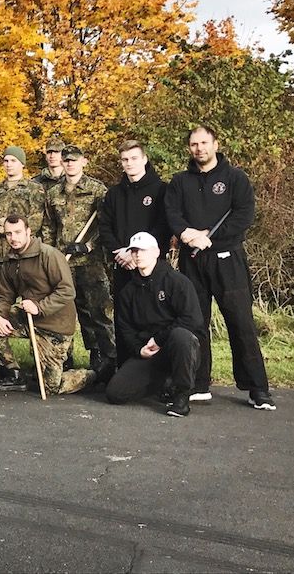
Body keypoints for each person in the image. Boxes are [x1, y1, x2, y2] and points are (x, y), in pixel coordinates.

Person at [164, 125, 275, 410]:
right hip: (192, 260)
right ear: (189, 148)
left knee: (240, 323)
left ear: (215, 144)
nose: (199, 148)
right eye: (193, 144)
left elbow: (244, 214)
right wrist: (188, 234)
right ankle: (198, 384)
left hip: (228, 259)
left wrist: (209, 239)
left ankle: (257, 389)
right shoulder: (179, 182)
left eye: (204, 143)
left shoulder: (235, 178)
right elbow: (172, 213)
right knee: (195, 322)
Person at [0, 216, 96, 395]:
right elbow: (3, 295)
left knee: (49, 387)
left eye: (18, 232)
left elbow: (67, 290)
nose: (13, 238)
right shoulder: (11, 261)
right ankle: (14, 373)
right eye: (8, 234)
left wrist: (40, 307)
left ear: (29, 232)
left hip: (55, 326)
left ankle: (88, 375)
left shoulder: (49, 255)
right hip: (27, 318)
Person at [106, 232, 203, 417]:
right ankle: (164, 383)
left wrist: (159, 339)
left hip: (177, 348)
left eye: (143, 250)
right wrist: (138, 350)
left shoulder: (177, 282)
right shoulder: (128, 292)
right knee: (115, 393)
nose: (138, 255)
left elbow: (192, 319)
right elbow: (125, 328)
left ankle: (182, 395)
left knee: (181, 336)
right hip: (148, 352)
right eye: (134, 251)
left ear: (156, 252)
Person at [43, 144, 116, 375]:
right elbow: (48, 227)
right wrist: (52, 254)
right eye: (66, 160)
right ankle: (64, 357)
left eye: (74, 159)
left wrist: (88, 244)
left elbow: (105, 224)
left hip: (91, 262)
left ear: (84, 161)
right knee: (63, 312)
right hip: (64, 263)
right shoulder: (54, 193)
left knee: (98, 313)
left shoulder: (97, 190)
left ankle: (104, 360)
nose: (70, 163)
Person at [98, 139, 172, 363]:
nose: (129, 163)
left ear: (144, 159)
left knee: (155, 316)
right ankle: (125, 366)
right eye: (124, 159)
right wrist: (119, 253)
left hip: (152, 267)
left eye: (133, 158)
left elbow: (163, 227)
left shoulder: (161, 190)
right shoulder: (114, 194)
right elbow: (105, 227)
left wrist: (138, 254)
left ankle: (160, 369)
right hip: (123, 265)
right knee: (124, 317)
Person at [0, 147, 46, 302]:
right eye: (6, 160)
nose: (9, 164)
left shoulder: (34, 189)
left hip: (24, 254)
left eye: (13, 161)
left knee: (28, 299)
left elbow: (36, 220)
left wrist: (7, 229)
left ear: (22, 164)